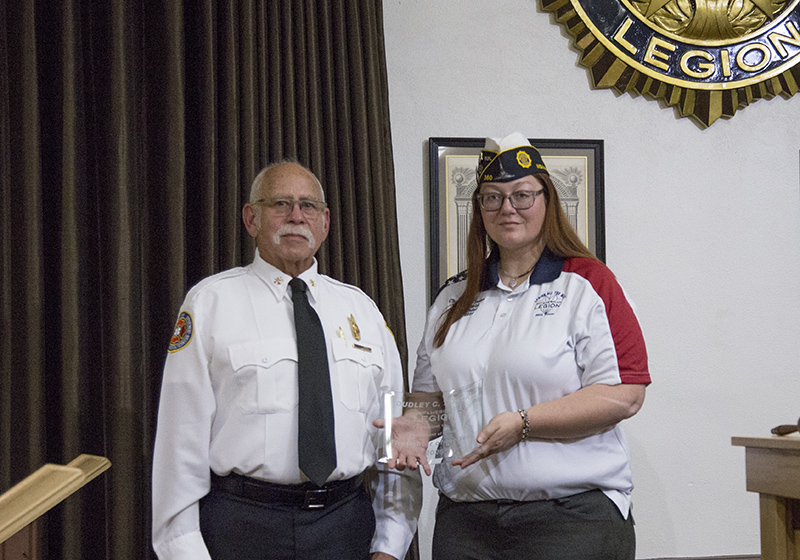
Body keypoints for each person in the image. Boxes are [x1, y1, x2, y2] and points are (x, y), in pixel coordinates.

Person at [152, 161, 420, 560]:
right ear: (251, 218)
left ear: (325, 222)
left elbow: (395, 441)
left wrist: (390, 545)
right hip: (243, 528)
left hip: (345, 527)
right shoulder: (210, 303)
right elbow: (179, 445)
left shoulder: (361, 310)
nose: (297, 216)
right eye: (281, 203)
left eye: (309, 206)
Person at [409, 133, 651, 560]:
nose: (508, 208)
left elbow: (624, 393)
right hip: (466, 522)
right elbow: (430, 401)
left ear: (547, 201)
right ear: (478, 209)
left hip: (571, 520)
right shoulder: (452, 298)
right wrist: (411, 430)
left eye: (522, 195)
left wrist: (524, 423)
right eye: (492, 197)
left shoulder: (589, 284)